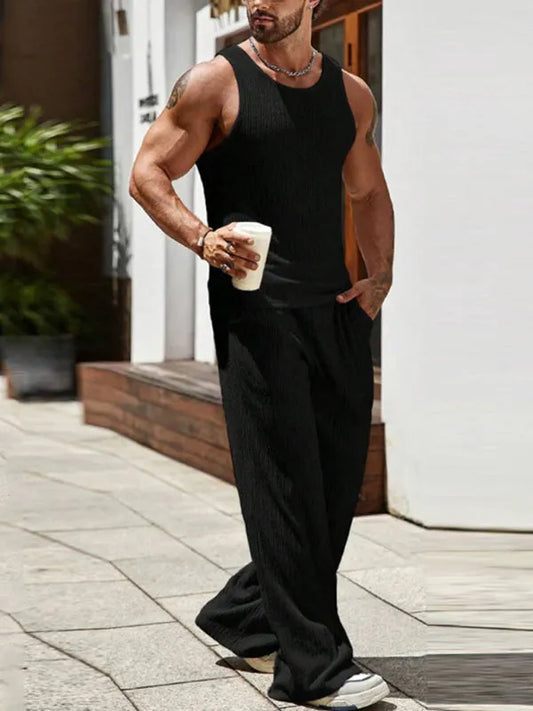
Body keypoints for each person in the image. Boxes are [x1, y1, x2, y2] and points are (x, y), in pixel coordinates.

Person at [130, 0, 394, 707]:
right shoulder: (215, 83)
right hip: (256, 312)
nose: (258, 2)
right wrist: (201, 236)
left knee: (333, 485)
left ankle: (246, 616)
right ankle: (312, 668)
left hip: (336, 310)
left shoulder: (350, 94)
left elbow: (367, 188)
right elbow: (148, 173)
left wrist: (379, 277)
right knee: (284, 482)